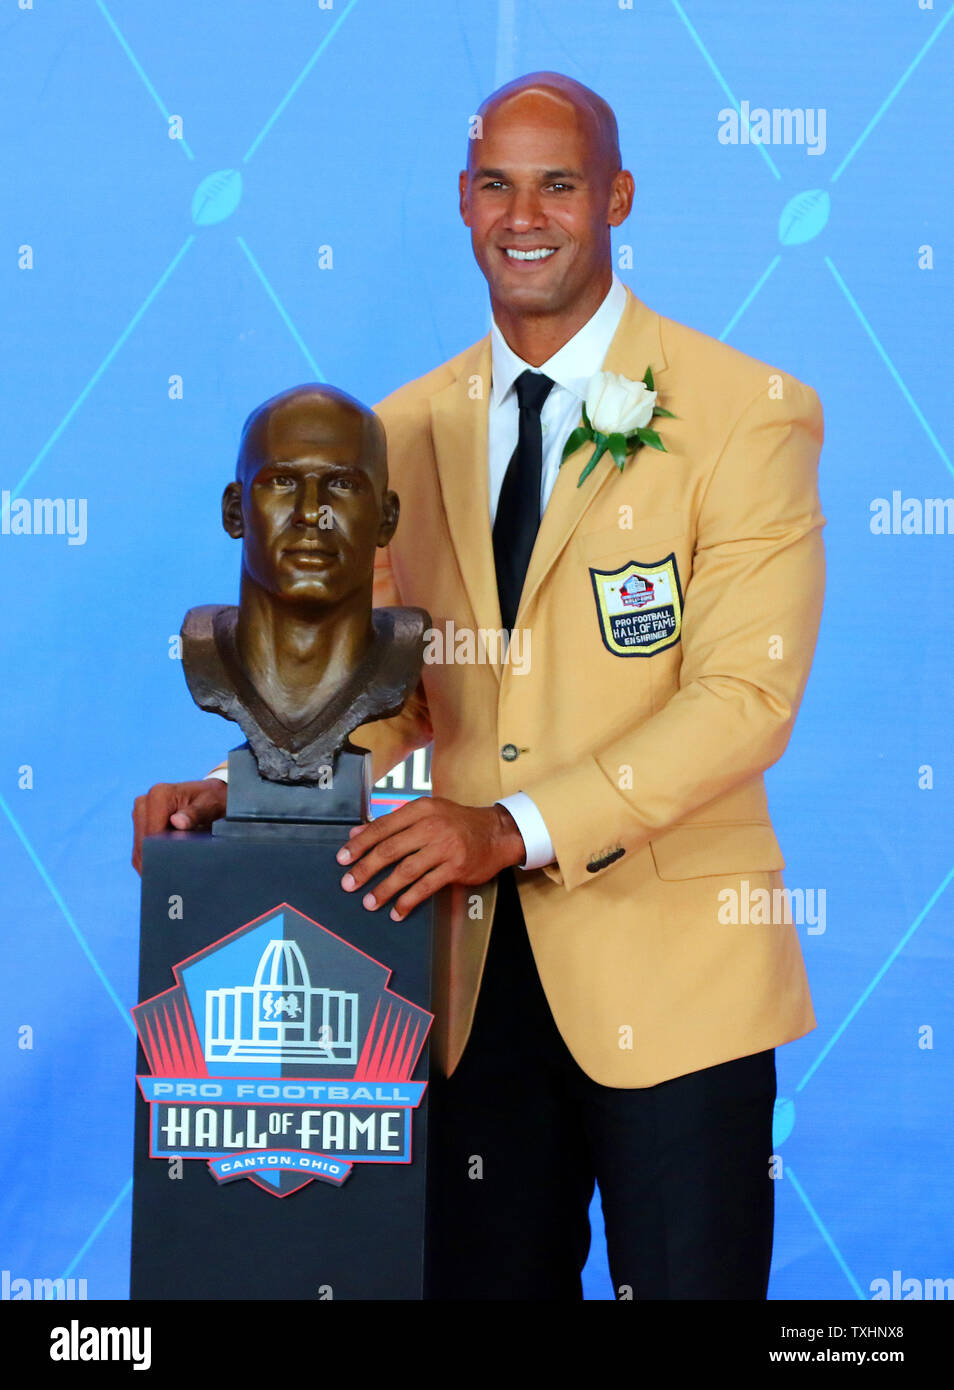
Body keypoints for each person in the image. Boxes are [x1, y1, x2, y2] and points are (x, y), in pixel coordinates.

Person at [132, 72, 825, 1300]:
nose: (526, 214)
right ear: (463, 202)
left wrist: (511, 829)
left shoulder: (744, 414)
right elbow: (395, 700)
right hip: (460, 988)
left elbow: (744, 699)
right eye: (497, 184)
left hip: (678, 981)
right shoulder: (400, 433)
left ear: (616, 196)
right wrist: (235, 804)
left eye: (558, 182)